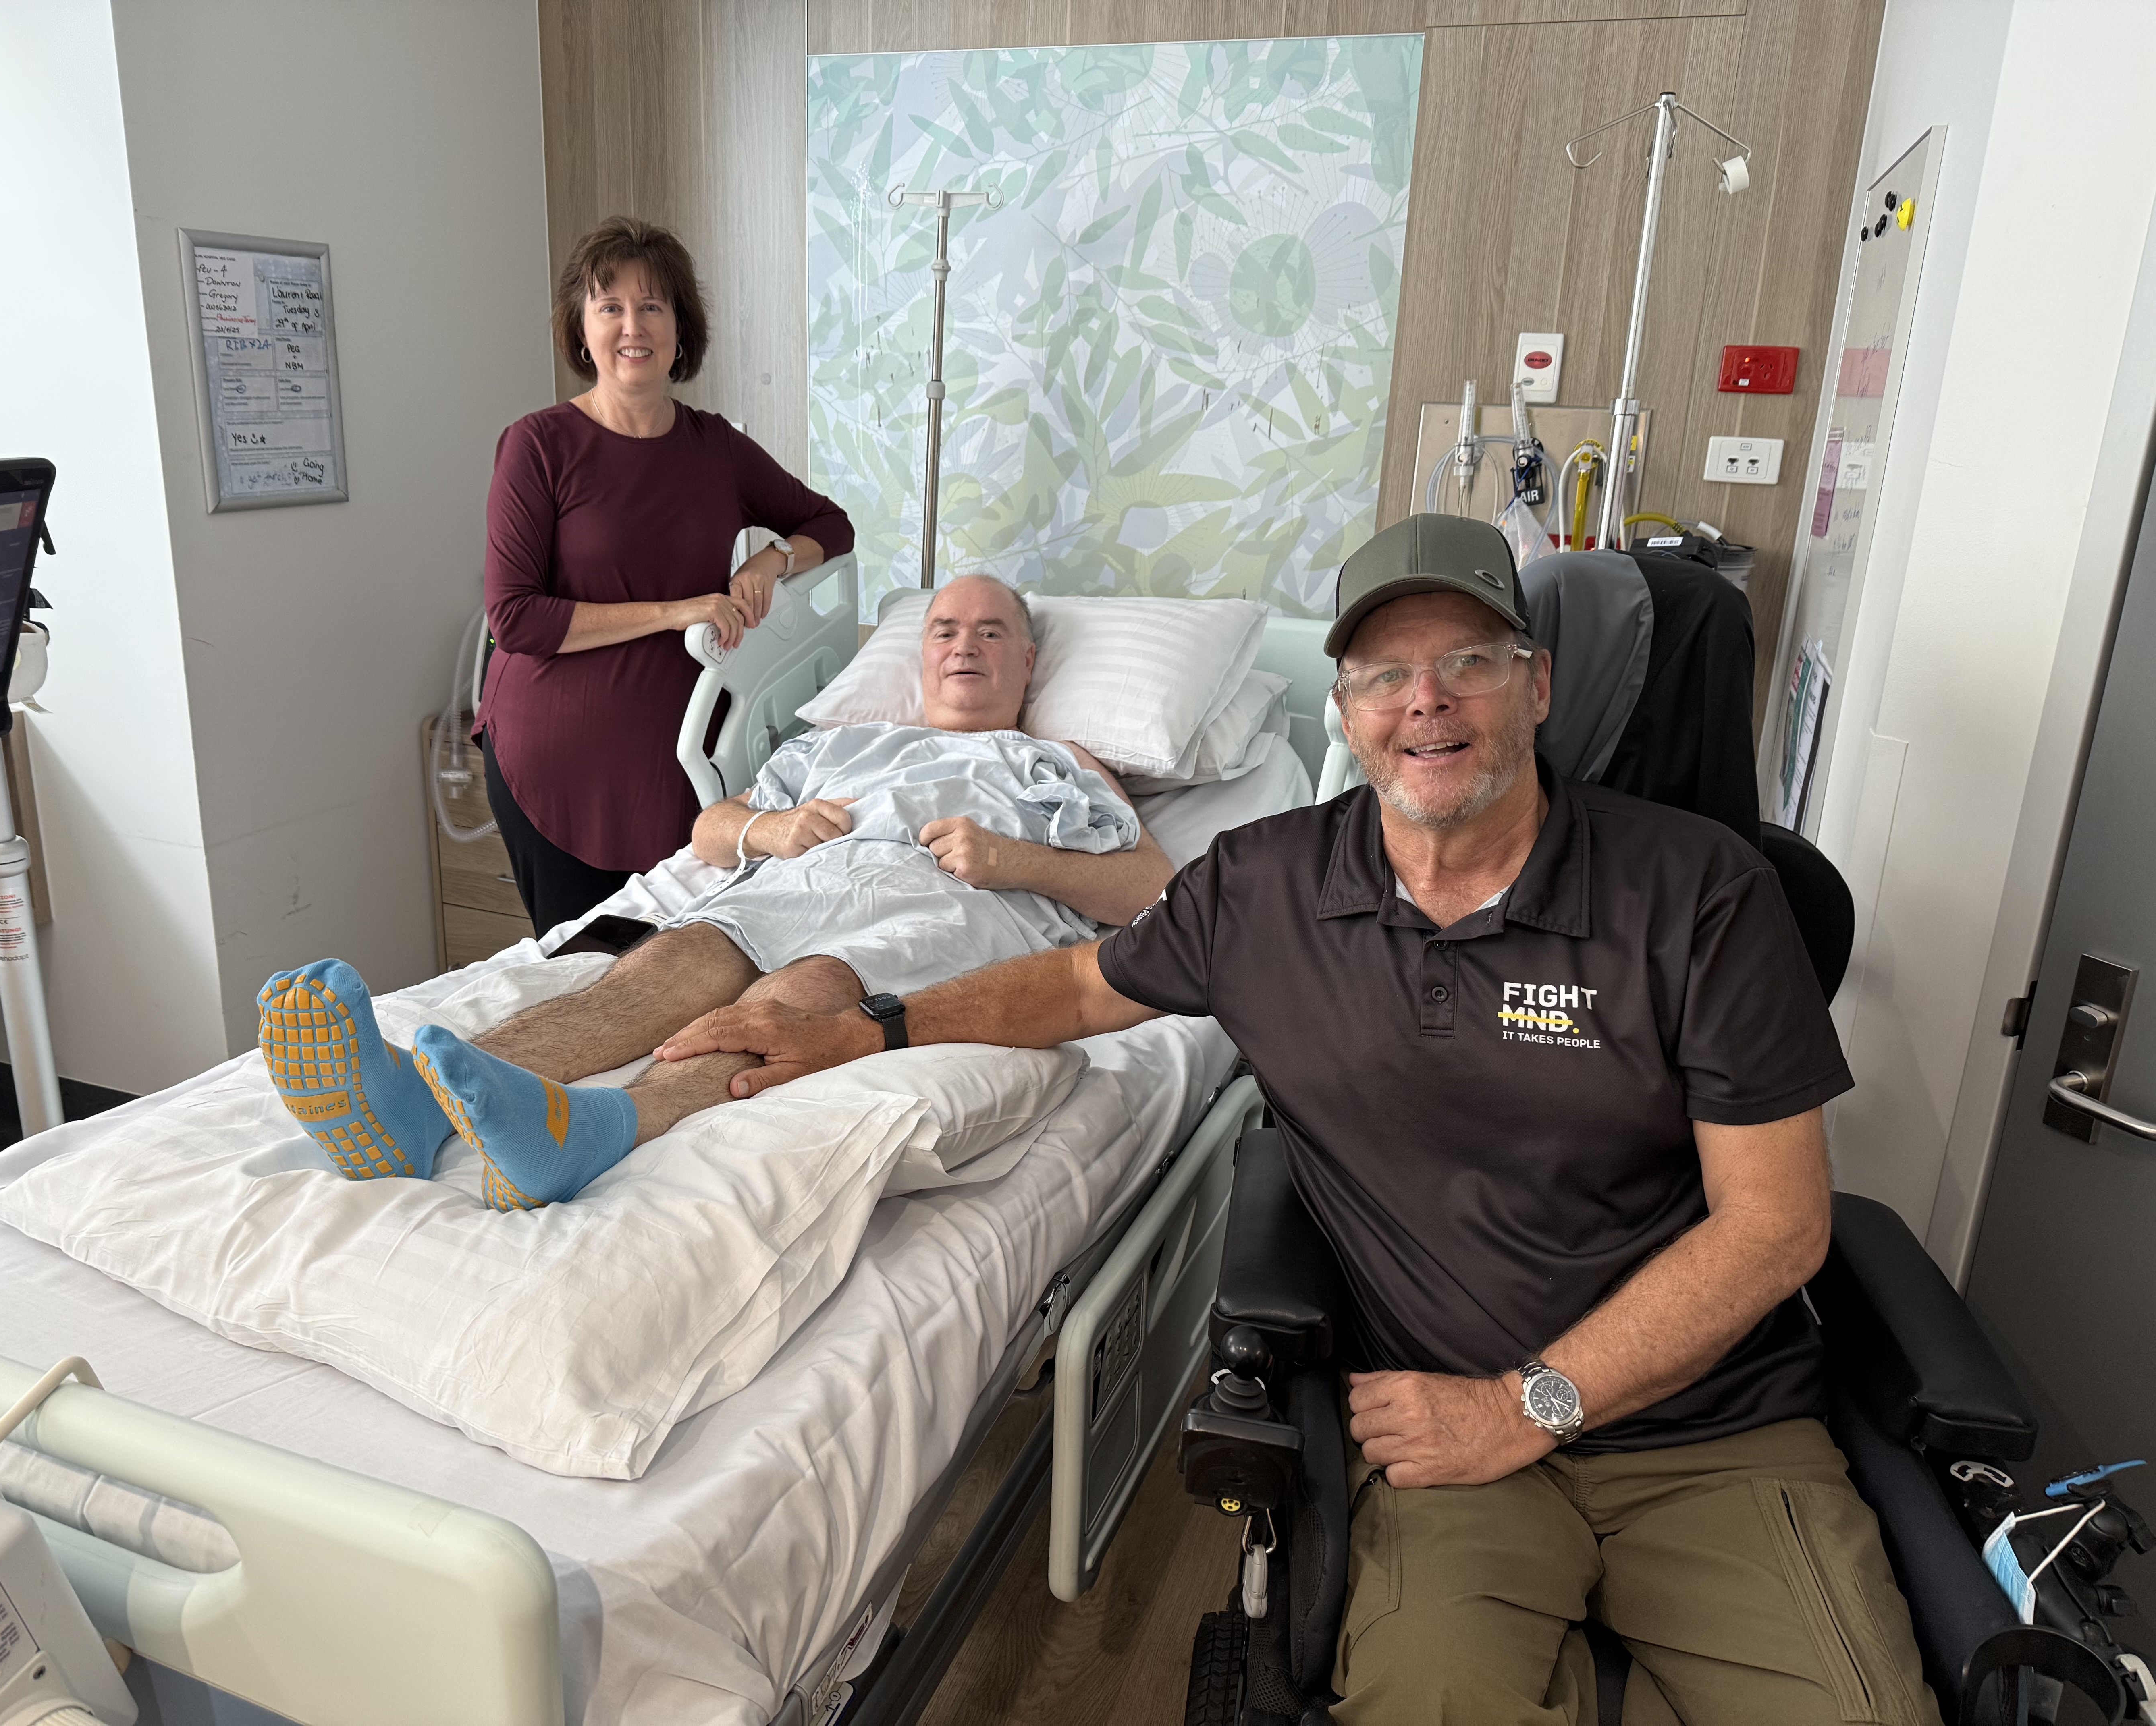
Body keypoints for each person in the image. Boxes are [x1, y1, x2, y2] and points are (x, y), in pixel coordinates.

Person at [657, 516, 1938, 1722]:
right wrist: (868, 1027)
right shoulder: (1267, 889)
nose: (1425, 700)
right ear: (1346, 710)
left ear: (1537, 685)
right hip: (1439, 1430)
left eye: (1469, 662)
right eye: (1384, 674)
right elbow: (1077, 985)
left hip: (1711, 1436)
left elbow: (1776, 1226)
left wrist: (1526, 1404)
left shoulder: (1697, 893)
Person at [259, 575, 1173, 1213]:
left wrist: (1015, 858)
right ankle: (414, 1105)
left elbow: (1155, 890)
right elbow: (710, 832)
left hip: (946, 906)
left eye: (991, 632)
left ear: (1028, 661)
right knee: (664, 966)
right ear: (919, 657)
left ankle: (602, 1128)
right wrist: (768, 830)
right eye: (944, 630)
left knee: (795, 999)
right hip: (800, 880)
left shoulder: (1055, 762)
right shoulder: (844, 743)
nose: (964, 645)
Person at [477, 216, 855, 934]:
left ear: (681, 329)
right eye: (610, 307)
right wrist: (675, 609)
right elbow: (516, 618)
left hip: (679, 760)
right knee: (580, 973)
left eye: (652, 306)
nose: (633, 327)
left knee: (674, 961)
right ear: (581, 328)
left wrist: (771, 559)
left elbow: (831, 524)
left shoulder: (715, 448)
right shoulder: (539, 446)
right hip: (556, 763)